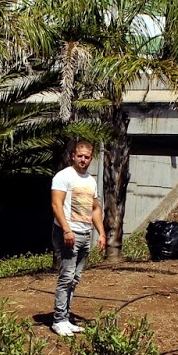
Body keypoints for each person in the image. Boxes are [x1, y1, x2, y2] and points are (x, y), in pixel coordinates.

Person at [50, 140, 105, 336]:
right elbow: (56, 205)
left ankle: (66, 317)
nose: (83, 160)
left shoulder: (90, 181)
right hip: (68, 234)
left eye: (87, 157)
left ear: (91, 158)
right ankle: (58, 320)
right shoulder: (63, 176)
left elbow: (95, 208)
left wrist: (101, 233)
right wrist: (66, 230)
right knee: (66, 277)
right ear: (73, 155)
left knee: (75, 278)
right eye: (80, 156)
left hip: (85, 234)